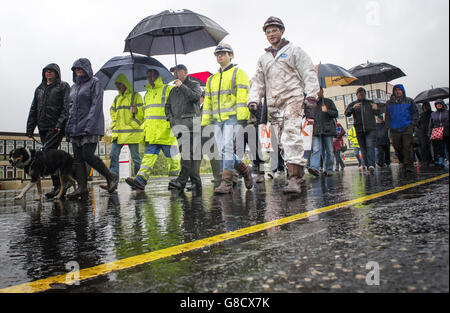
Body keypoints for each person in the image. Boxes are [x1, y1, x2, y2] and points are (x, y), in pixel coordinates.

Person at [248, 16, 320, 194]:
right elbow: (258, 81)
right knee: (281, 142)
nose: (272, 34)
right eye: (268, 31)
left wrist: (311, 94)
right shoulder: (263, 58)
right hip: (274, 104)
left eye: (275, 30)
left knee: (290, 135)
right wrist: (253, 99)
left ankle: (293, 179)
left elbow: (308, 71)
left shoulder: (294, 51)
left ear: (282, 31)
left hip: (293, 99)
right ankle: (299, 174)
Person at [201, 43, 253, 194]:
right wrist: (205, 122)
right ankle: (245, 170)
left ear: (231, 55)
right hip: (217, 120)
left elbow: (243, 96)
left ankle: (227, 182)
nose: (220, 55)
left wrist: (242, 118)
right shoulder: (211, 79)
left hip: (232, 117)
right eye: (217, 53)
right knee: (223, 150)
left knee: (227, 148)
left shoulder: (239, 73)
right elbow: (208, 102)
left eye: (223, 53)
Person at [65, 58, 118, 199]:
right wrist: (68, 129)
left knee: (87, 155)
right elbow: (70, 109)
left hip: (90, 127)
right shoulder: (73, 87)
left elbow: (96, 105)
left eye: (80, 69)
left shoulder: (95, 82)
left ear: (87, 69)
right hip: (75, 128)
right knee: (77, 159)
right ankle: (82, 187)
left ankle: (110, 176)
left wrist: (89, 125)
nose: (78, 71)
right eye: (76, 69)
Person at [125, 69, 181, 190]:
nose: (150, 78)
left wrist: (179, 89)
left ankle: (175, 181)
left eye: (152, 75)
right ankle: (140, 180)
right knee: (148, 159)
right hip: (151, 133)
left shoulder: (169, 89)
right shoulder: (147, 94)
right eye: (148, 75)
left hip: (167, 132)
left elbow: (179, 105)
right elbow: (145, 114)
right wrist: (136, 112)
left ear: (158, 76)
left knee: (173, 160)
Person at [26, 63, 70, 199]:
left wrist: (60, 123)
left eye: (52, 71)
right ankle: (59, 185)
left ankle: (59, 187)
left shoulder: (63, 86)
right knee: (48, 156)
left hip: (55, 127)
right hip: (42, 126)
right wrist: (30, 128)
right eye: (47, 71)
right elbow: (34, 108)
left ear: (57, 73)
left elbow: (66, 106)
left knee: (48, 154)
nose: (49, 73)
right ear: (44, 73)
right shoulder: (39, 89)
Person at [100, 74, 144, 191]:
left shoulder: (136, 96)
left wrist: (135, 114)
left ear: (125, 83)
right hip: (118, 134)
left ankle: (139, 181)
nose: (118, 86)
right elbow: (112, 111)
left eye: (120, 84)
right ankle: (112, 182)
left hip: (132, 133)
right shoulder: (117, 98)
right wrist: (113, 123)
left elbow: (142, 115)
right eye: (116, 84)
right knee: (113, 155)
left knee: (136, 158)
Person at [165, 64, 203, 196]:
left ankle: (182, 181)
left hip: (192, 125)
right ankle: (195, 183)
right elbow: (167, 106)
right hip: (178, 126)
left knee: (189, 155)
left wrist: (182, 86)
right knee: (187, 155)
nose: (174, 73)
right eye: (173, 72)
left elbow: (195, 97)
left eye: (177, 71)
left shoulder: (194, 84)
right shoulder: (172, 91)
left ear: (185, 72)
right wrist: (171, 119)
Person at [385, 84, 419, 175]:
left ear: (403, 91)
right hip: (394, 128)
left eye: (399, 90)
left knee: (407, 146)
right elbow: (387, 116)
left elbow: (415, 113)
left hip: (407, 127)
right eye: (396, 90)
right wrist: (388, 126)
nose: (398, 91)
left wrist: (412, 124)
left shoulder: (409, 101)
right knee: (397, 146)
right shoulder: (389, 103)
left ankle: (409, 165)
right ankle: (402, 161)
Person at [345, 87, 379, 174]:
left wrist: (376, 108)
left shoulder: (370, 102)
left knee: (370, 146)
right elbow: (347, 113)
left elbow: (378, 113)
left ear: (365, 94)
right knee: (363, 149)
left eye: (362, 92)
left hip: (370, 128)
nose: (361, 94)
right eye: (359, 93)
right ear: (356, 95)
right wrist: (352, 108)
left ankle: (371, 165)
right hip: (359, 129)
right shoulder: (353, 104)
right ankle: (368, 165)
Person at [308, 87, 338, 177]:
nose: (317, 92)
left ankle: (329, 169)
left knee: (329, 150)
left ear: (322, 91)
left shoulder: (328, 102)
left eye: (318, 90)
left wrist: (327, 111)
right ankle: (315, 168)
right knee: (316, 149)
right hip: (316, 130)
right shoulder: (312, 104)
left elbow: (336, 113)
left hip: (327, 130)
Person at [428, 99, 449, 168]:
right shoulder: (433, 114)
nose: (438, 105)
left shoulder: (447, 112)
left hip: (447, 131)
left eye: (440, 103)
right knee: (440, 148)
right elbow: (431, 124)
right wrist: (430, 133)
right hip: (438, 133)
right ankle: (441, 161)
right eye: (437, 104)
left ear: (442, 104)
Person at [418, 102, 433, 166]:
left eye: (426, 106)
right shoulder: (422, 114)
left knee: (431, 147)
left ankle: (431, 159)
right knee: (424, 147)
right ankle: (426, 160)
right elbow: (418, 123)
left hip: (431, 131)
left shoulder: (432, 113)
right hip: (423, 132)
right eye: (424, 106)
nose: (425, 108)